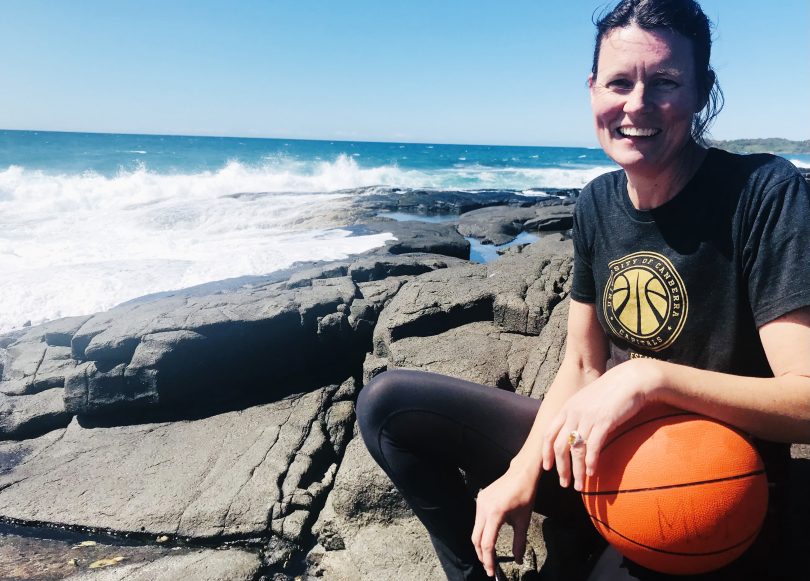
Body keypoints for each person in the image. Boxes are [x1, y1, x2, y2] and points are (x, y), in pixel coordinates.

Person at [356, 0, 810, 579]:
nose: (637, 104)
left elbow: (805, 400)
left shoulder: (762, 194)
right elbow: (582, 365)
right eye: (619, 82)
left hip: (703, 486)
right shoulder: (597, 201)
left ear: (702, 91)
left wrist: (652, 378)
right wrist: (521, 470)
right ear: (593, 89)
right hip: (593, 451)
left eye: (666, 81)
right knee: (388, 406)